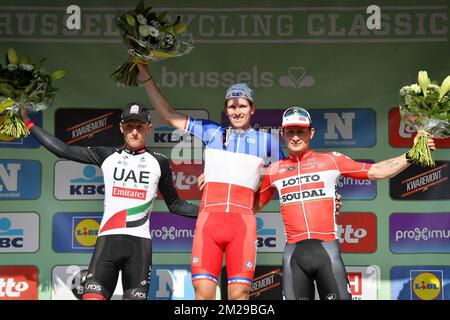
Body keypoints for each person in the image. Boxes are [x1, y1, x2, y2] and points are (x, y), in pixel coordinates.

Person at [253, 106, 436, 300]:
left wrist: (412, 154)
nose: (296, 137)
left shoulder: (331, 160)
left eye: (301, 131)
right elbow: (253, 207)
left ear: (311, 133)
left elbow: (377, 171)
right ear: (282, 133)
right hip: (293, 257)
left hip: (327, 252)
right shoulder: (273, 171)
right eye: (290, 131)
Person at [20, 102, 198, 300]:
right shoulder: (107, 155)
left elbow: (175, 204)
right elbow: (62, 150)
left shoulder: (159, 162)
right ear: (121, 128)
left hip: (139, 248)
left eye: (139, 127)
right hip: (107, 243)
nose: (134, 132)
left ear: (149, 128)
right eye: (129, 126)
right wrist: (27, 122)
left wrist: (210, 212)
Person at [136, 63, 284, 300]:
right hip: (209, 225)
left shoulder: (268, 142)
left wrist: (258, 202)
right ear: (226, 109)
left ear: (252, 109)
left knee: (239, 295)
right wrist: (146, 77)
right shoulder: (212, 132)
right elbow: (168, 114)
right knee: (203, 295)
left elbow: (286, 177)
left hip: (242, 226)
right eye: (232, 106)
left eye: (242, 106)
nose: (237, 111)